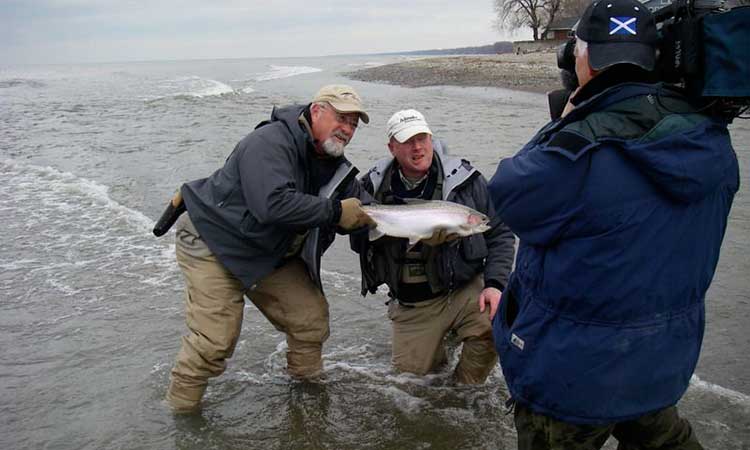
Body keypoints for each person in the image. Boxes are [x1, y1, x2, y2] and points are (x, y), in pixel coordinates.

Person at [487, 0, 740, 448]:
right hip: (657, 367)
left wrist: (569, 119)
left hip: (570, 381)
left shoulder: (576, 153)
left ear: (581, 59)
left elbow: (509, 192)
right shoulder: (712, 143)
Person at [165, 85, 374, 413]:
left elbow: (367, 208)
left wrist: (431, 223)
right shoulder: (269, 142)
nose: (347, 129)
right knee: (214, 341)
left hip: (266, 251)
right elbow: (271, 205)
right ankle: (180, 417)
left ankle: (306, 399)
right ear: (316, 111)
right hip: (213, 242)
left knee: (310, 320)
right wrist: (335, 212)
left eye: (353, 124)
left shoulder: (334, 165)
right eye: (342, 118)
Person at [351, 109, 515, 384]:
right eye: (407, 141)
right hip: (414, 303)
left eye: (422, 138)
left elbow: (500, 233)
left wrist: (495, 284)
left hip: (462, 290)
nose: (417, 147)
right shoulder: (370, 187)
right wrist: (372, 227)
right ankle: (437, 352)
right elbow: (358, 244)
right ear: (392, 147)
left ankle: (464, 388)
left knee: (498, 321)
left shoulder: (467, 181)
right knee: (411, 386)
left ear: (431, 138)